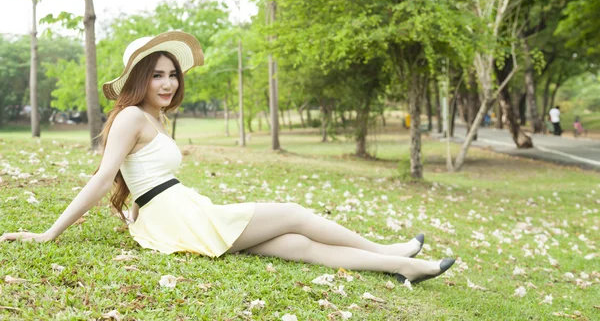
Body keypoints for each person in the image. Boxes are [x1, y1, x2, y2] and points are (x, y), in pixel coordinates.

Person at [0, 31, 454, 285]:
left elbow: (138, 177)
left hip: (180, 210)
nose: (168, 83)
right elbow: (102, 178)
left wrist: (138, 212)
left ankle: (402, 267)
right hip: (179, 216)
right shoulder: (131, 117)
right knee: (294, 213)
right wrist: (48, 234)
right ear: (138, 78)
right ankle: (388, 251)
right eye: (157, 75)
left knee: (299, 246)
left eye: (172, 75)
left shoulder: (152, 120)